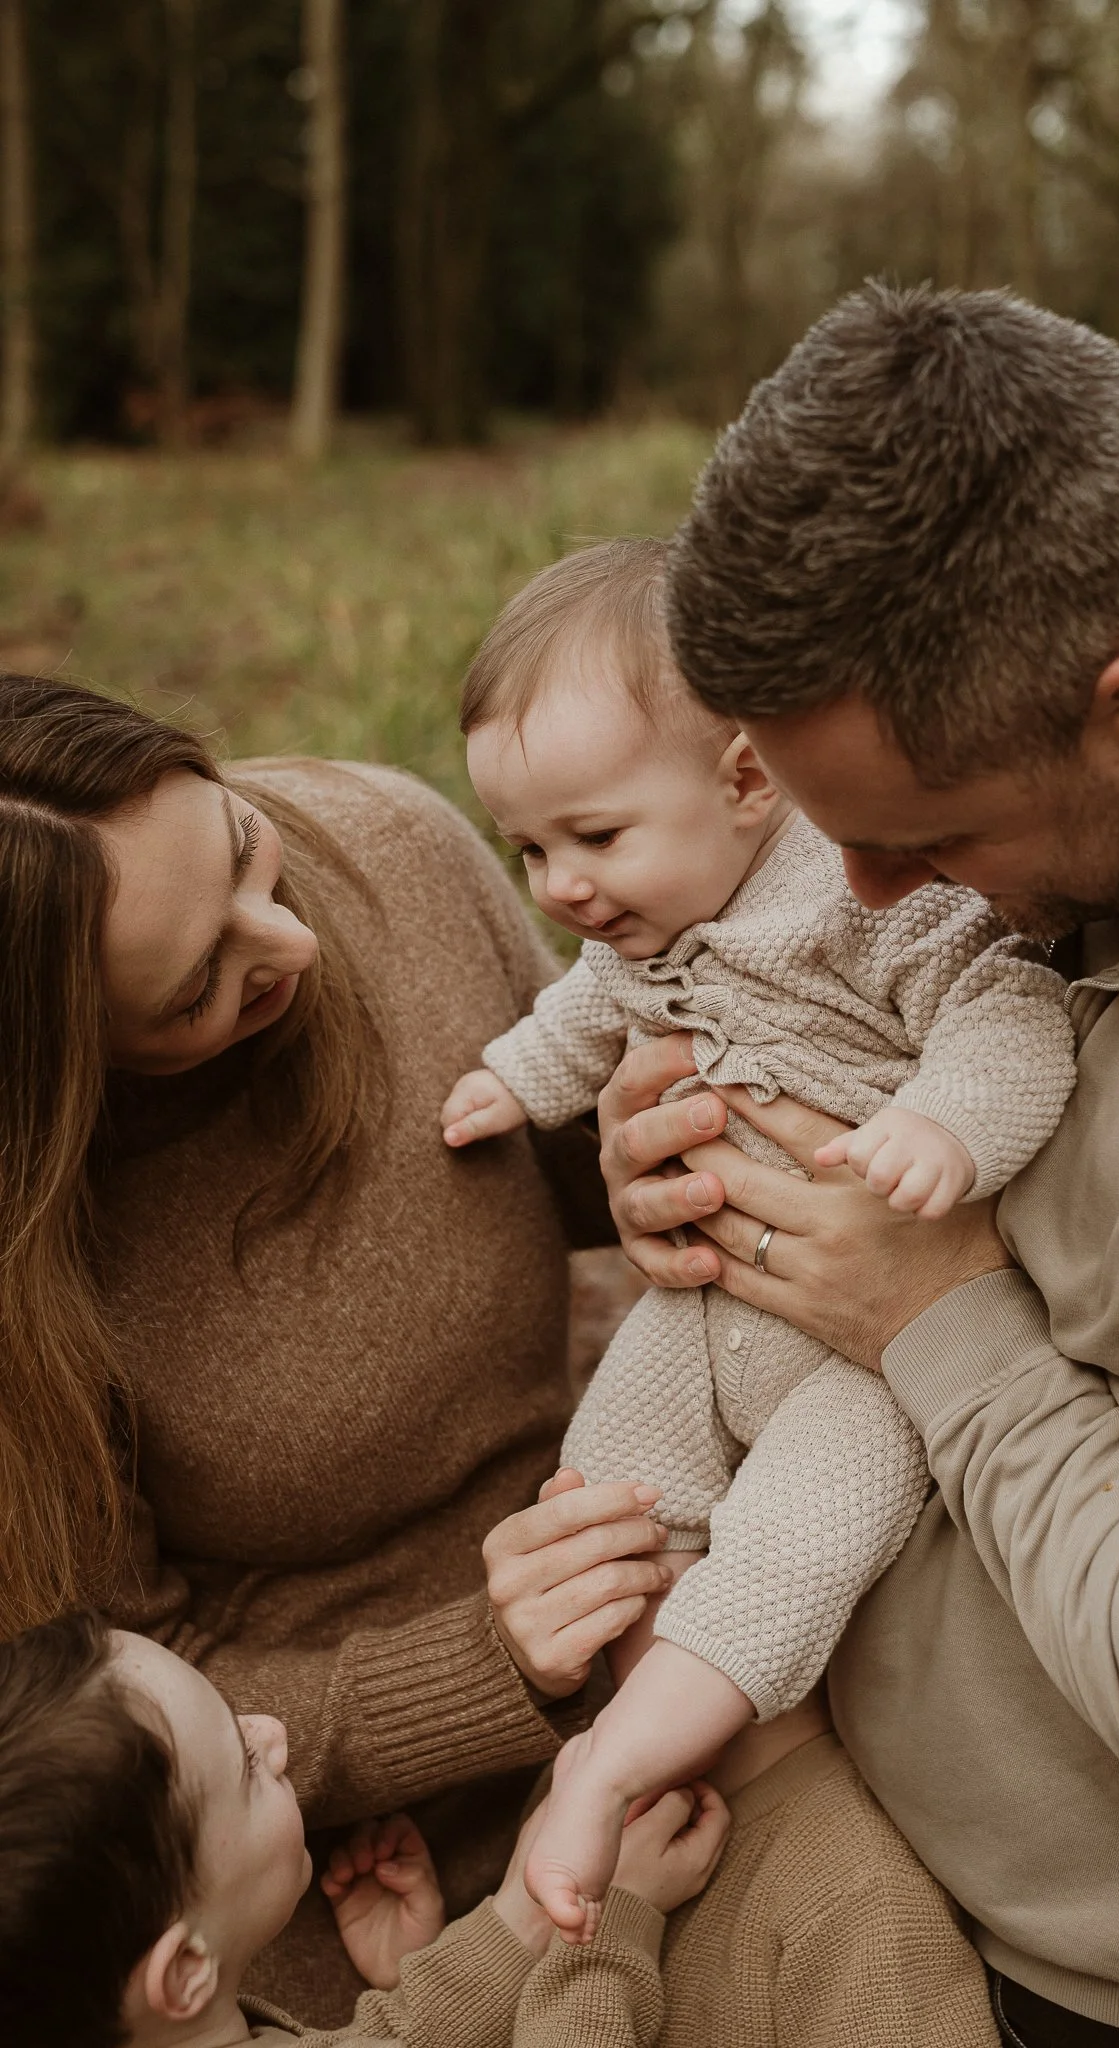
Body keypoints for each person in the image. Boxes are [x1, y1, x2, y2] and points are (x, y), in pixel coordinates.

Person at [590, 283, 1119, 2047]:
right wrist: (673, 1150)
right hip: (834, 1769)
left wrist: (926, 1310)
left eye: (913, 843)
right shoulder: (1113, 757)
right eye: (820, 832)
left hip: (1101, 1978)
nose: (860, 900)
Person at [0, 675, 675, 2026]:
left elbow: (555, 1150)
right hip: (322, 1867)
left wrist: (641, 1147)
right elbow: (116, 1731)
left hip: (647, 1686)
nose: (292, 945)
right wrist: (484, 1664)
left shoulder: (389, 851)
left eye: (250, 852)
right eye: (200, 985)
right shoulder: (34, 1274)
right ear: (69, 1063)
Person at [441, 537, 1074, 1935]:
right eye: (526, 848)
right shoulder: (642, 915)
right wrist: (519, 1081)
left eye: (590, 838)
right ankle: (634, 1744)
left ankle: (632, 1756)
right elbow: (584, 1006)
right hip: (700, 1301)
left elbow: (1008, 1017)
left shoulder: (863, 900)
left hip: (867, 1349)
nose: (557, 886)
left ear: (739, 781)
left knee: (795, 1536)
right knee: (603, 1492)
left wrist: (946, 1132)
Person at [0, 1608, 996, 2048]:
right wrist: (610, 1922)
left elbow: (383, 2042)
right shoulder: (851, 1904)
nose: (270, 1729)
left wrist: (495, 1929)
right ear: (182, 1974)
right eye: (240, 1766)